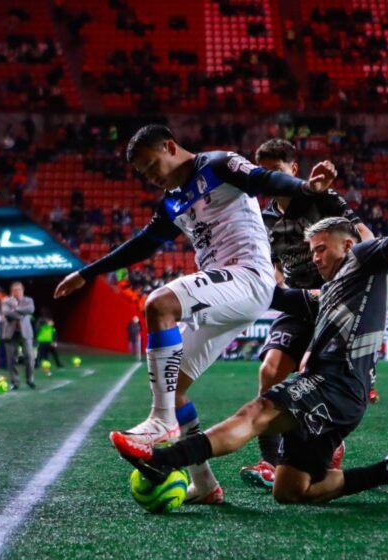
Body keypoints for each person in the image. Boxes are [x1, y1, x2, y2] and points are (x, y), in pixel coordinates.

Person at [111, 192, 388, 506]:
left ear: (347, 243)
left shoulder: (363, 260)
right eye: (311, 250)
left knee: (257, 412)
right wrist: (218, 284)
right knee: (292, 491)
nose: (314, 258)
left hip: (332, 384)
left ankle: (163, 460)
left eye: (320, 249)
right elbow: (277, 297)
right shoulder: (329, 289)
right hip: (341, 395)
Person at [54, 124, 338, 504]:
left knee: (159, 304)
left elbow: (263, 178)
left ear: (170, 146)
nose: (149, 176)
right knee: (177, 388)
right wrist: (86, 273)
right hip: (223, 288)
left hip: (249, 277)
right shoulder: (172, 201)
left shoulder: (218, 165)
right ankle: (203, 484)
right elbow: (143, 244)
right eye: (142, 173)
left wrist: (306, 188)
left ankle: (161, 422)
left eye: (151, 164)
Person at [241, 138, 374, 489]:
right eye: (263, 173)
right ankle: (269, 462)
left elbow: (364, 237)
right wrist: (272, 291)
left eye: (276, 171)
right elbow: (272, 267)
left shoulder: (323, 201)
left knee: (317, 378)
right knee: (269, 371)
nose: (269, 178)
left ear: (293, 170)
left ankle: (329, 442)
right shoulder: (263, 216)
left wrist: (353, 282)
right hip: (298, 302)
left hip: (333, 304)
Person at [2, 281, 36, 389]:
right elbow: (6, 312)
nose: (17, 292)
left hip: (25, 332)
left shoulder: (28, 300)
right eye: (14, 290)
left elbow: (30, 309)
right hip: (10, 333)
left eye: (19, 289)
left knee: (30, 357)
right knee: (12, 359)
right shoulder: (6, 301)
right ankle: (15, 382)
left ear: (23, 290)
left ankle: (30, 380)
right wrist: (22, 313)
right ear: (11, 291)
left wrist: (15, 310)